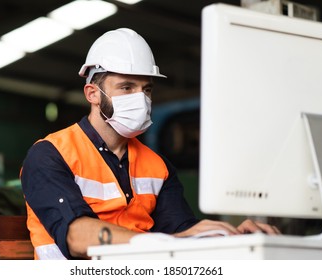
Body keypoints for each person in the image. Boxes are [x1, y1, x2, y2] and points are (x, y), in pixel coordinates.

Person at [20, 28, 280, 260]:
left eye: (146, 89)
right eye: (126, 87)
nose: (141, 99)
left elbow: (182, 232)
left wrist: (231, 237)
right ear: (92, 94)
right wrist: (168, 242)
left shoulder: (158, 167)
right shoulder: (49, 155)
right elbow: (77, 237)